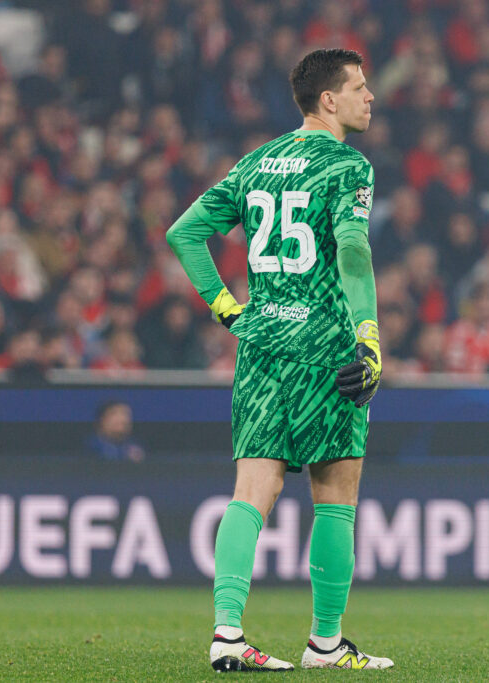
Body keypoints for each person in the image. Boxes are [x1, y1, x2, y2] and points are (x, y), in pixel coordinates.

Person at [166, 49, 392, 672]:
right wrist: (369, 335)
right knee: (336, 494)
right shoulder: (348, 165)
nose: (369, 97)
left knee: (249, 492)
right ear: (328, 100)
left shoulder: (256, 162)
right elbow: (352, 251)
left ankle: (227, 634)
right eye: (359, 87)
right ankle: (325, 643)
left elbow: (183, 234)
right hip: (324, 349)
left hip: (261, 345)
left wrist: (225, 307)